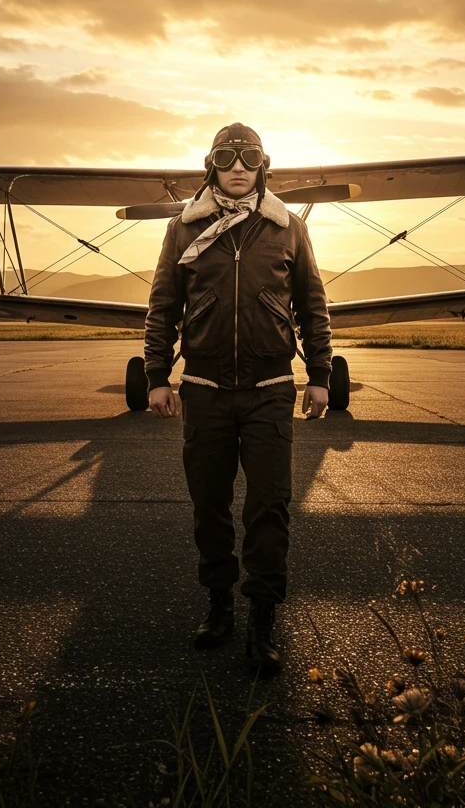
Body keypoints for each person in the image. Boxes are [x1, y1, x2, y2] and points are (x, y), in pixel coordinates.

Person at [144, 123, 332, 672]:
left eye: (249, 156)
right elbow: (162, 306)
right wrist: (158, 374)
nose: (238, 165)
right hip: (203, 388)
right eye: (227, 157)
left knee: (269, 505)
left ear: (263, 164)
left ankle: (264, 620)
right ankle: (219, 604)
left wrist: (318, 372)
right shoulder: (183, 230)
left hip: (270, 387)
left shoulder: (288, 228)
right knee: (210, 506)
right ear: (211, 164)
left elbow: (312, 304)